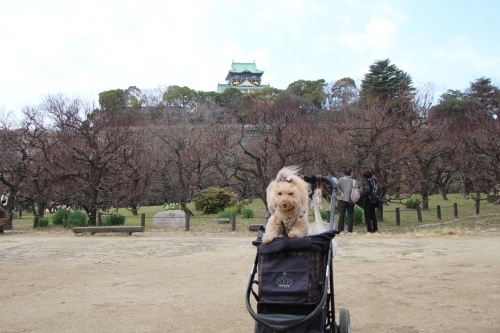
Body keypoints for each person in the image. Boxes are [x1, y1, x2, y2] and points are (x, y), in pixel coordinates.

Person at [337, 168, 357, 233]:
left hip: (343, 198)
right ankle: (350, 230)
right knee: (350, 215)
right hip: (351, 200)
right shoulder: (354, 181)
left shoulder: (340, 179)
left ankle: (340, 230)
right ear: (350, 173)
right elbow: (356, 189)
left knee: (341, 214)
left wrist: (340, 192)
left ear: (344, 173)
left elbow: (336, 187)